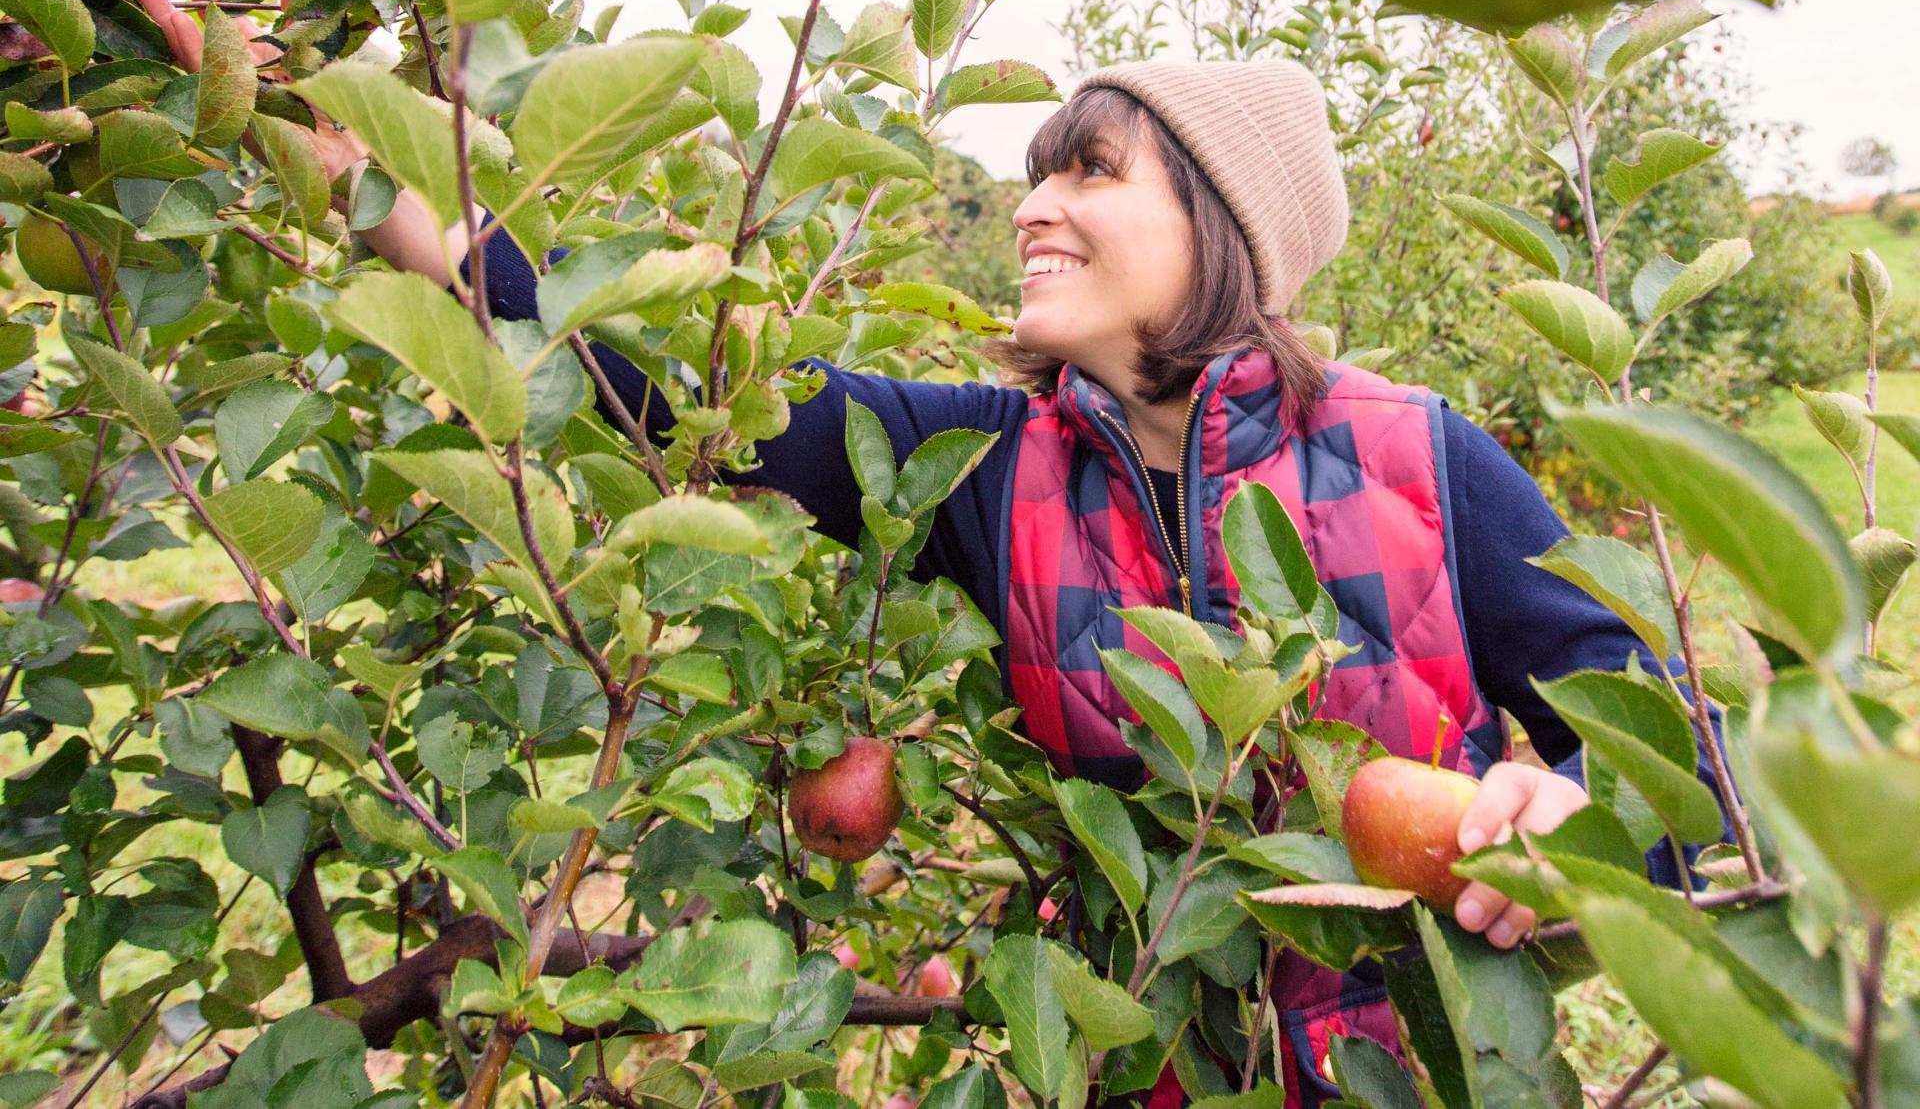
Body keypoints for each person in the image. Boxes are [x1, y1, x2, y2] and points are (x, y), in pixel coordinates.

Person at [318, 58, 1728, 1106]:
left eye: (1091, 171)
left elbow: (1680, 768)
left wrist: (1582, 830)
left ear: (1224, 223)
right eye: (1039, 170)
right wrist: (385, 187)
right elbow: (682, 389)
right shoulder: (990, 470)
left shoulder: (1421, 459)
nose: (1033, 202)